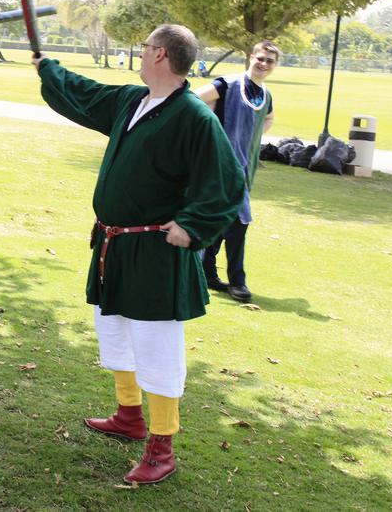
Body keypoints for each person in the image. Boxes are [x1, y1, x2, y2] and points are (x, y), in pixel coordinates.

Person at [34, 25, 244, 484]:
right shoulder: (134, 101)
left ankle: (162, 448)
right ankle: (129, 416)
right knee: (115, 332)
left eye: (146, 46)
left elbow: (228, 180)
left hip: (154, 253)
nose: (141, 51)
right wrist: (49, 69)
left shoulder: (192, 116)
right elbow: (86, 96)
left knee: (157, 348)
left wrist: (192, 226)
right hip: (114, 245)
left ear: (161, 55)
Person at [195, 40, 278, 302]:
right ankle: (237, 281)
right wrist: (211, 132)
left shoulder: (266, 95)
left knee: (223, 221)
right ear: (251, 57)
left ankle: (206, 272)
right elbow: (195, 98)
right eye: (260, 58)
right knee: (239, 222)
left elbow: (269, 118)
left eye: (270, 61)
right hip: (220, 167)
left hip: (245, 169)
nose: (263, 64)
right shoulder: (228, 84)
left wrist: (253, 139)